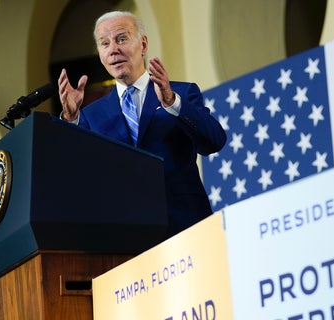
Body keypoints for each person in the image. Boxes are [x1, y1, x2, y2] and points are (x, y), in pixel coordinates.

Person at [58, 11, 226, 237]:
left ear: (144, 45)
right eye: (104, 43)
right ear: (100, 54)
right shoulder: (89, 115)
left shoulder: (181, 93)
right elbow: (75, 174)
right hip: (126, 239)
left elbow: (214, 141)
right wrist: (70, 121)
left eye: (121, 39)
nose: (113, 49)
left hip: (187, 228)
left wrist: (172, 103)